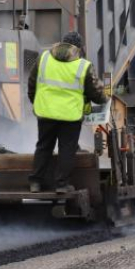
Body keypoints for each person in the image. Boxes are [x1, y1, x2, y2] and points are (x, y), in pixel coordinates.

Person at [27, 31, 107, 194]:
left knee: (43, 146)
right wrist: (104, 99)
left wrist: (37, 103)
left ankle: (35, 182)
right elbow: (94, 93)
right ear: (79, 48)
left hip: (46, 113)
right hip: (70, 116)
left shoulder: (44, 58)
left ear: (62, 43)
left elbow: (32, 84)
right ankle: (61, 185)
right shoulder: (83, 66)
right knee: (67, 149)